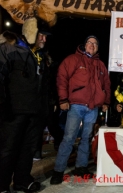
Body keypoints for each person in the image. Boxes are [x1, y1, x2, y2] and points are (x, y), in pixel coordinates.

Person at [50, 35, 111, 185]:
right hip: (76, 106)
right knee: (69, 137)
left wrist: (106, 102)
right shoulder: (73, 59)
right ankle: (58, 170)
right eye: (89, 42)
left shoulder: (101, 65)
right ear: (84, 45)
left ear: (97, 47)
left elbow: (107, 85)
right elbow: (62, 77)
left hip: (93, 108)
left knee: (86, 138)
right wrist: (63, 99)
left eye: (95, 43)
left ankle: (81, 167)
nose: (92, 45)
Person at [0, 17, 51, 192]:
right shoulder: (10, 49)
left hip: (34, 112)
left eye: (45, 36)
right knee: (8, 149)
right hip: (13, 111)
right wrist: (3, 105)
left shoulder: (41, 56)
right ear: (31, 33)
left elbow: (44, 86)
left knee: (27, 149)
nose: (44, 39)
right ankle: (1, 184)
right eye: (41, 35)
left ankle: (22, 180)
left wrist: (45, 108)